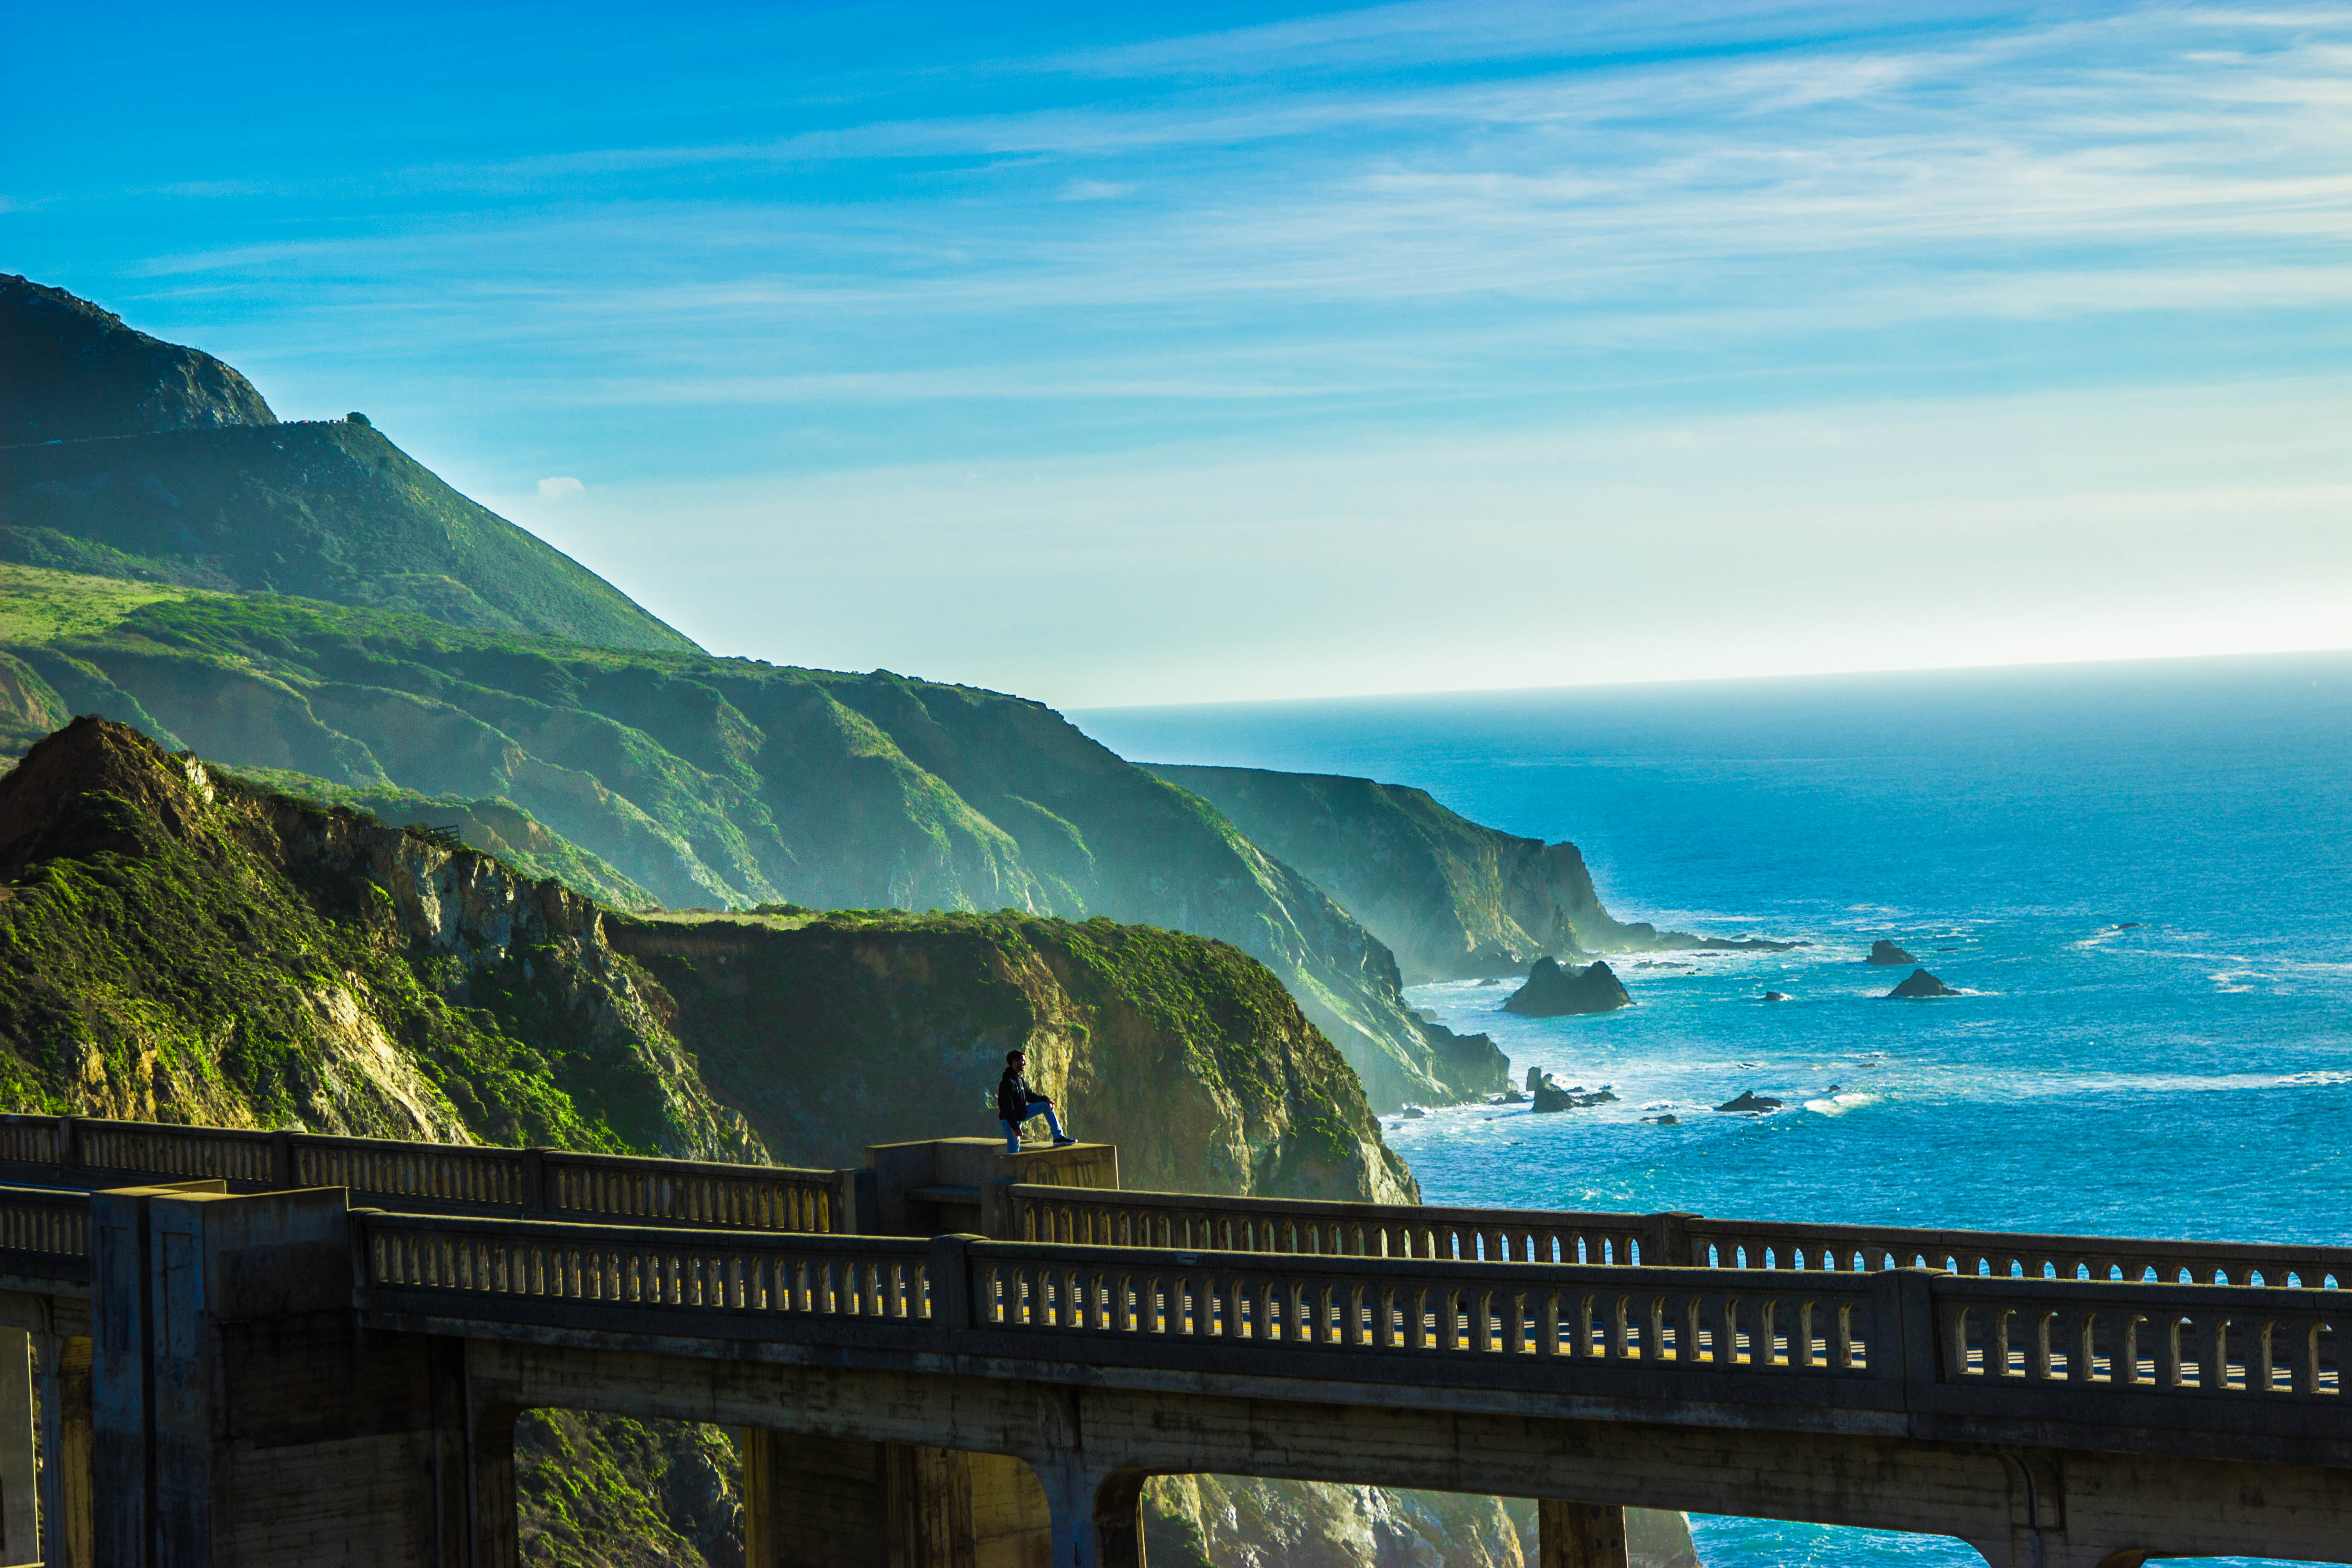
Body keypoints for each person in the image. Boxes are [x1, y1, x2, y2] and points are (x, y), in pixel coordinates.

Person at [997, 1049, 1075, 1152]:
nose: (1025, 1063)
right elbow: (1006, 1108)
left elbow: (1030, 1096)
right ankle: (1011, 1168)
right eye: (1023, 1061)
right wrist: (1015, 1127)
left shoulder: (1019, 1080)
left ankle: (1058, 1138)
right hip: (1010, 1120)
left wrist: (1046, 1099)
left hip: (1021, 1114)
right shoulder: (1007, 1082)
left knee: (1045, 1106)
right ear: (1015, 1062)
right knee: (1014, 1151)